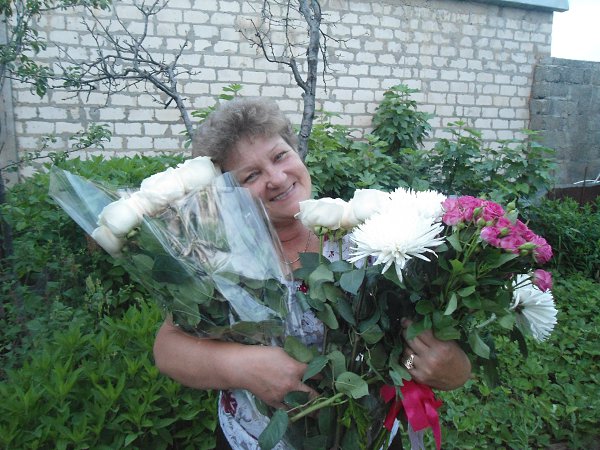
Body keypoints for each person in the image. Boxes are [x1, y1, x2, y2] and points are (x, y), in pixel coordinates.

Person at [153, 97, 472, 449]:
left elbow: (418, 346)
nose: (276, 179)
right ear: (227, 191)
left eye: (280, 156)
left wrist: (445, 367)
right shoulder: (220, 257)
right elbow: (168, 348)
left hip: (367, 438)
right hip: (254, 439)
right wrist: (243, 366)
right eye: (251, 175)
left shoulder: (370, 240)